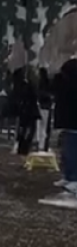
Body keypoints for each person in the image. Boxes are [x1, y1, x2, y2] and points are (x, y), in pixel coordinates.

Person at [53, 60, 77, 195]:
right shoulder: (66, 84)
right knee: (67, 151)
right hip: (68, 123)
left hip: (73, 123)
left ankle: (74, 178)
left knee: (72, 152)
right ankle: (68, 176)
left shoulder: (71, 85)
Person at [12, 68, 41, 155]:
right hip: (29, 110)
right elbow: (32, 96)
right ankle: (24, 147)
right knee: (29, 130)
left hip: (25, 110)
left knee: (25, 129)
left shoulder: (20, 84)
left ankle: (23, 147)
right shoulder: (27, 85)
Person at [36, 67, 53, 151]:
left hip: (43, 105)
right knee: (44, 126)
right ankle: (43, 144)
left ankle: (41, 144)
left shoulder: (41, 83)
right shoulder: (48, 82)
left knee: (42, 126)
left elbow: (41, 93)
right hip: (46, 106)